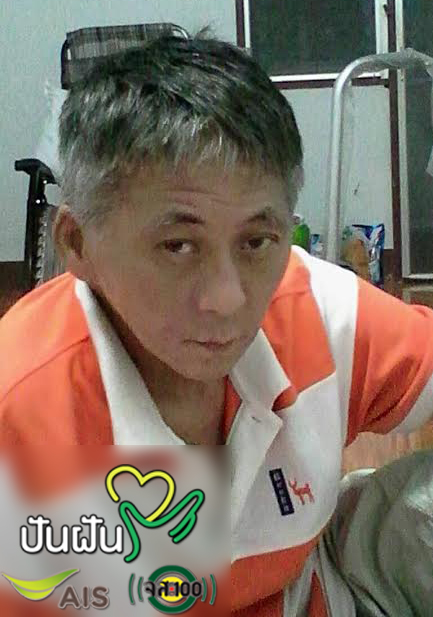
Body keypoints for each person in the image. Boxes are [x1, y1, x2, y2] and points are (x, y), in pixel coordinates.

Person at [0, 29, 432, 616]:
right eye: (178, 246)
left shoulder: (315, 307)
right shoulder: (22, 416)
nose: (228, 299)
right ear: (78, 244)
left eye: (256, 241)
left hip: (320, 589)